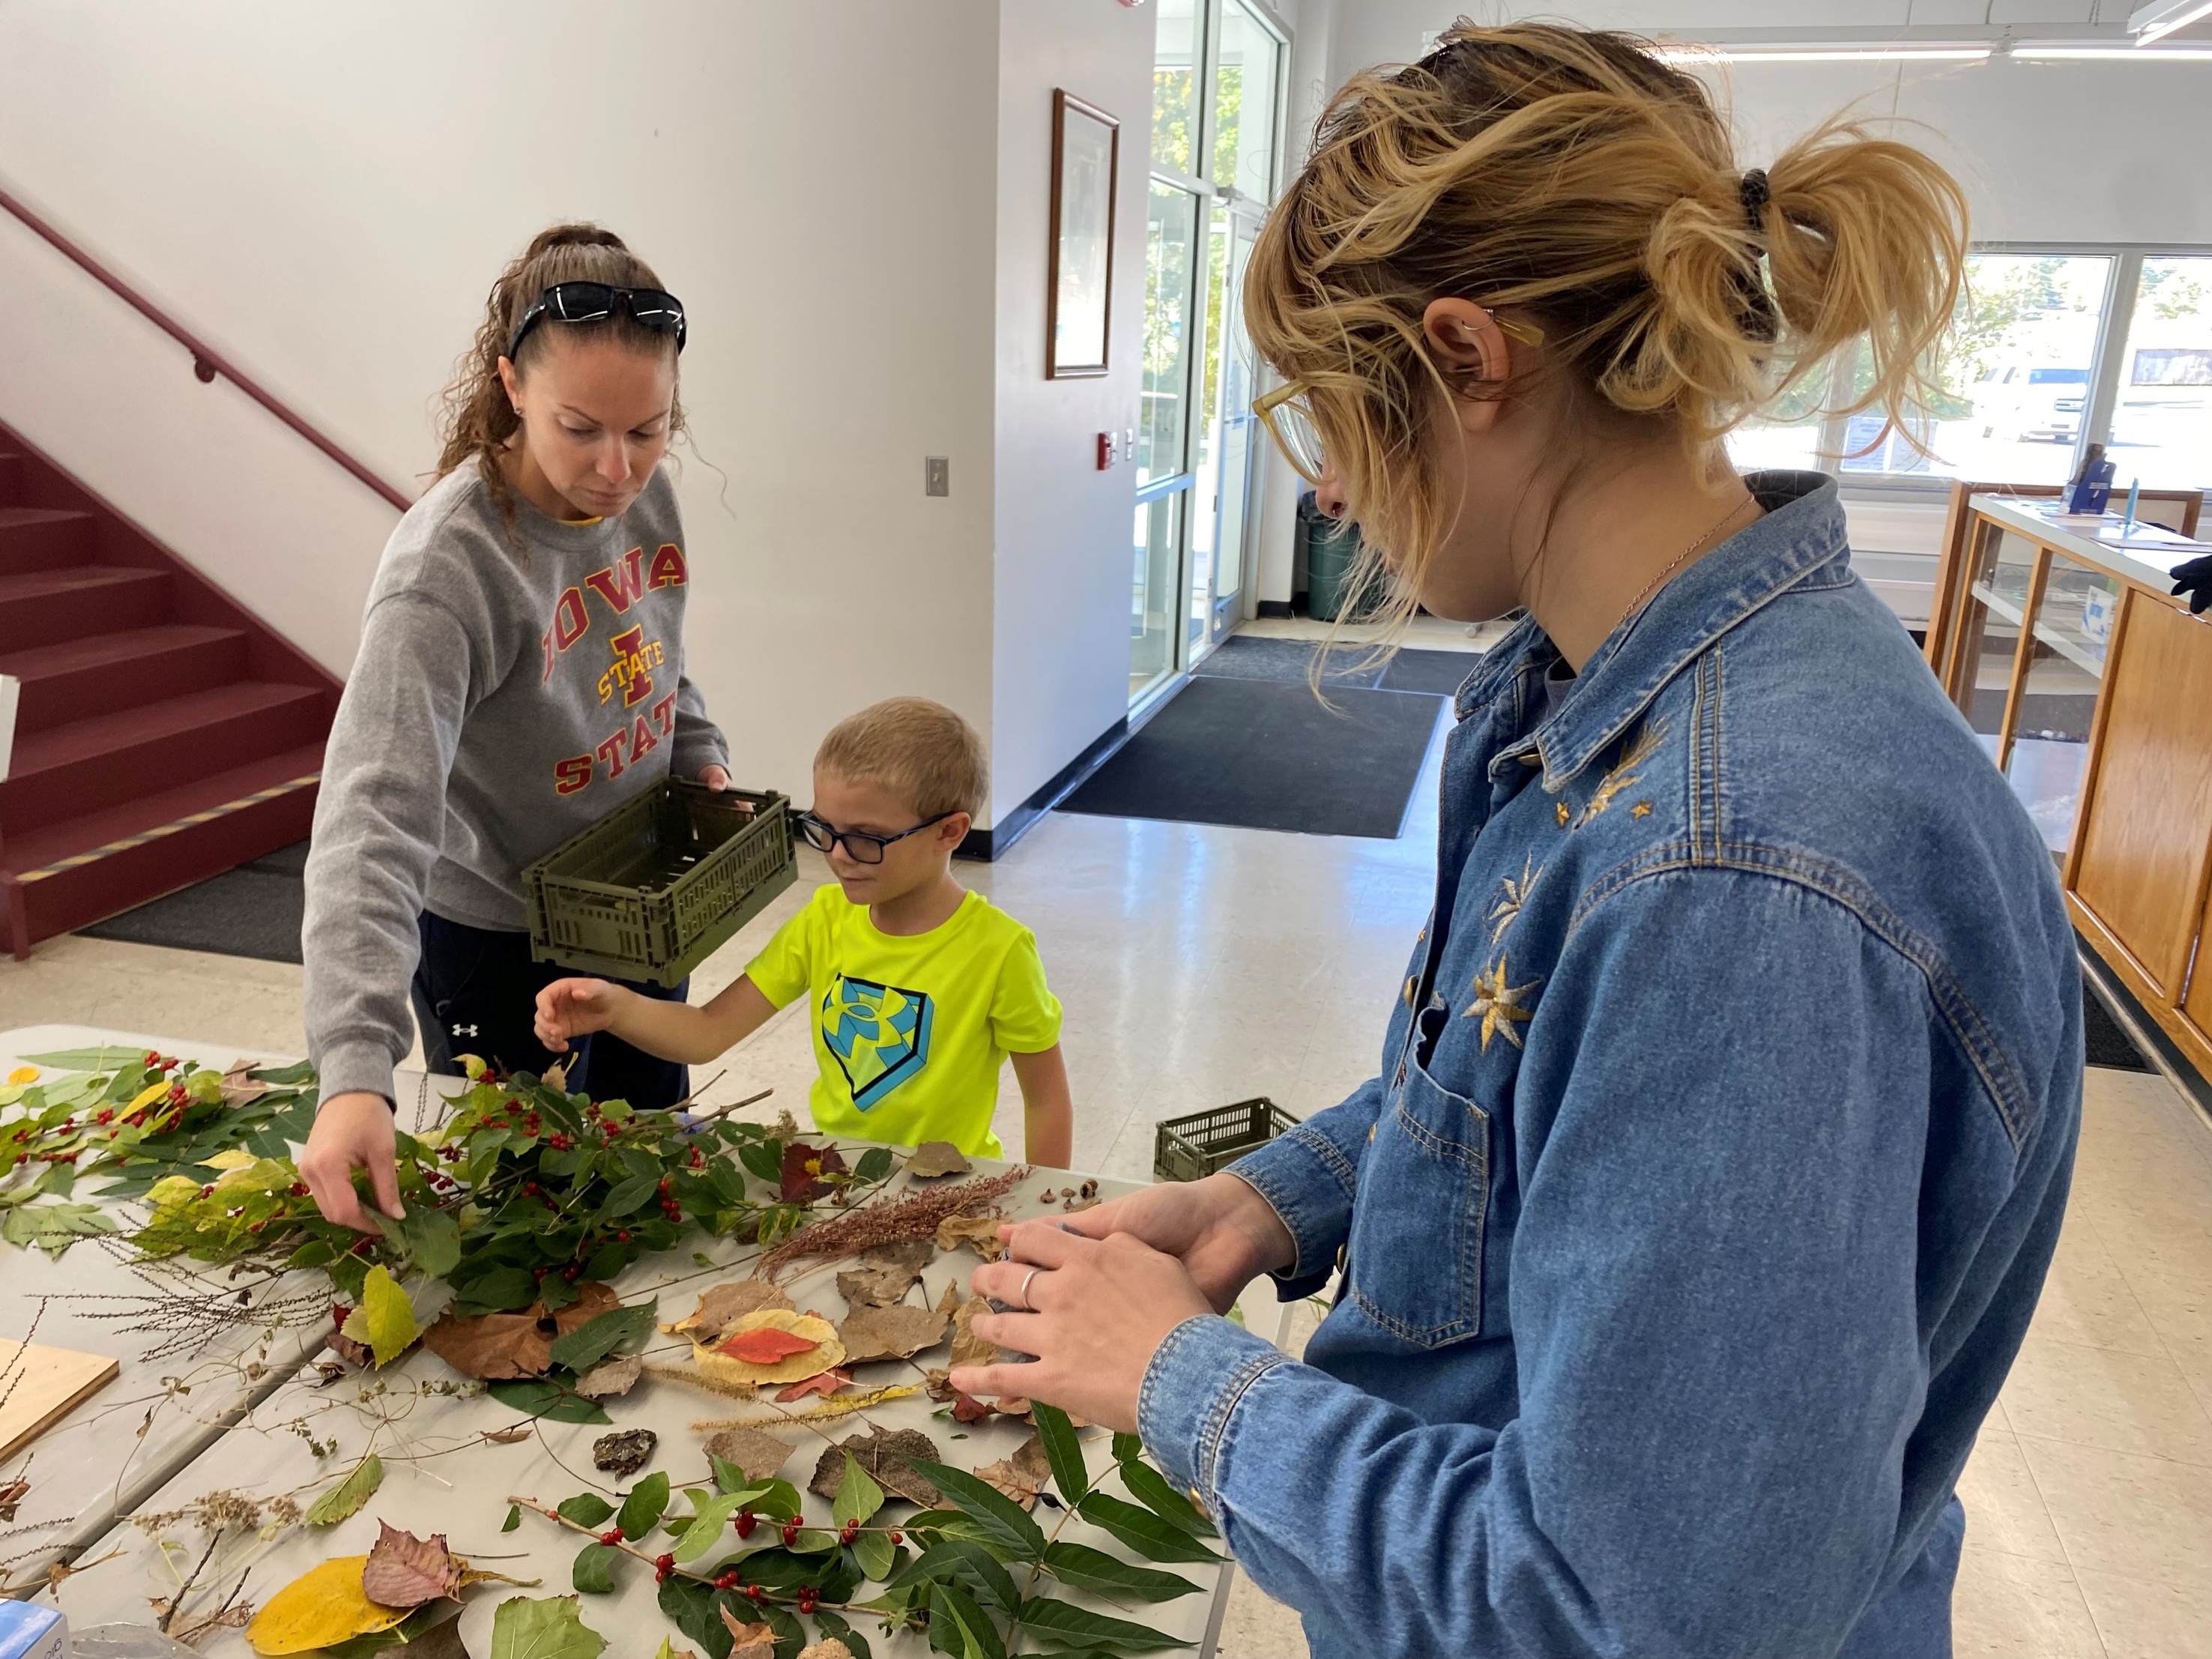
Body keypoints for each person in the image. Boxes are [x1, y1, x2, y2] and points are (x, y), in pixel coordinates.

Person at [948, 25, 2081, 1659]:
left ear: (1468, 357)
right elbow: (1538, 1101)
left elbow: (1631, 1619)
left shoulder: (1732, 872)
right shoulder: (1611, 696)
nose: (1330, 488)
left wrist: (1181, 1382)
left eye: (1330, 414)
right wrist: (1278, 1203)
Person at [299, 224, 731, 1231]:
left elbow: (646, 634)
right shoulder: (445, 572)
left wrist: (696, 751)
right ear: (511, 385)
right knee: (526, 1214)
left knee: (647, 1170)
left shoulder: (644, 490)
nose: (619, 468)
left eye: (649, 429)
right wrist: (354, 1068)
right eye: (581, 429)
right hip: (497, 937)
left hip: (633, 895)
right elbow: (372, 818)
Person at [535, 697, 1075, 1167]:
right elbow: (706, 1032)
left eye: (868, 837)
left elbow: (1046, 1100)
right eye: (825, 829)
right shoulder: (824, 918)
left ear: (950, 832)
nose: (838, 856)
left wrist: (1046, 1217)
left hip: (949, 1181)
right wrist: (619, 1008)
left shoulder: (1000, 950)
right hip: (835, 1173)